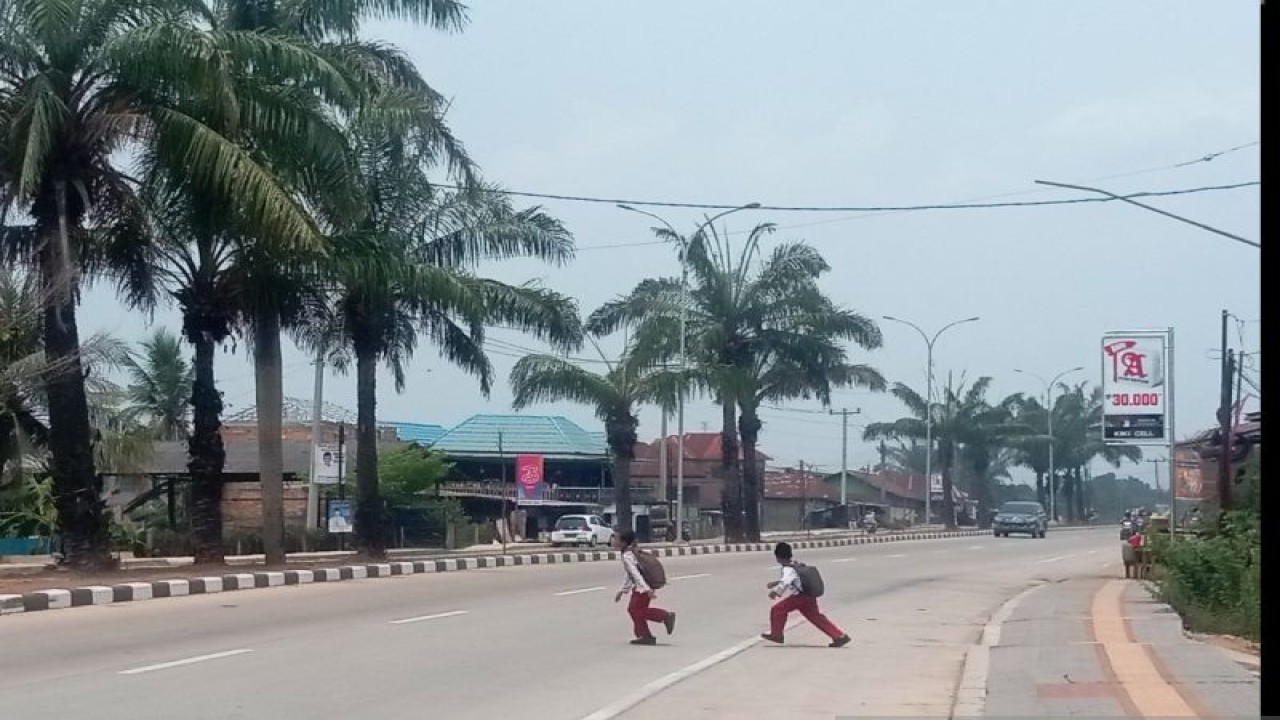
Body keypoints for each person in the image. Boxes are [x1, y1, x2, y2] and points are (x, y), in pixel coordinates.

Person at [761, 542, 851, 648]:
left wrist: (775, 592)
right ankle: (839, 636)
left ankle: (777, 635)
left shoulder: (787, 569)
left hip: (799, 598)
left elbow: (786, 581)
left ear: (777, 557)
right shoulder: (795, 564)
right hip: (809, 596)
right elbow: (794, 579)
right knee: (816, 617)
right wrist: (775, 583)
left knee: (777, 610)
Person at [613, 529, 675, 645]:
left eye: (615, 538)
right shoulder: (630, 552)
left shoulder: (627, 555)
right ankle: (645, 636)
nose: (613, 541)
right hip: (643, 587)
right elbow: (630, 574)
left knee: (635, 610)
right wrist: (622, 590)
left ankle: (664, 616)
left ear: (624, 542)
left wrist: (646, 589)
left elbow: (635, 574)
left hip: (642, 588)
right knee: (635, 610)